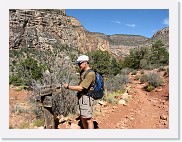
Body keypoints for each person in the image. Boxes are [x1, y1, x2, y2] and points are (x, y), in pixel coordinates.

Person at [63, 55, 95, 129]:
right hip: (82, 97)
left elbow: (81, 88)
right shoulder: (83, 72)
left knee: (88, 119)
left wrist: (68, 87)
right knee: (83, 117)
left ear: (85, 62)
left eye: (80, 63)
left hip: (86, 98)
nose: (79, 65)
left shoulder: (90, 74)